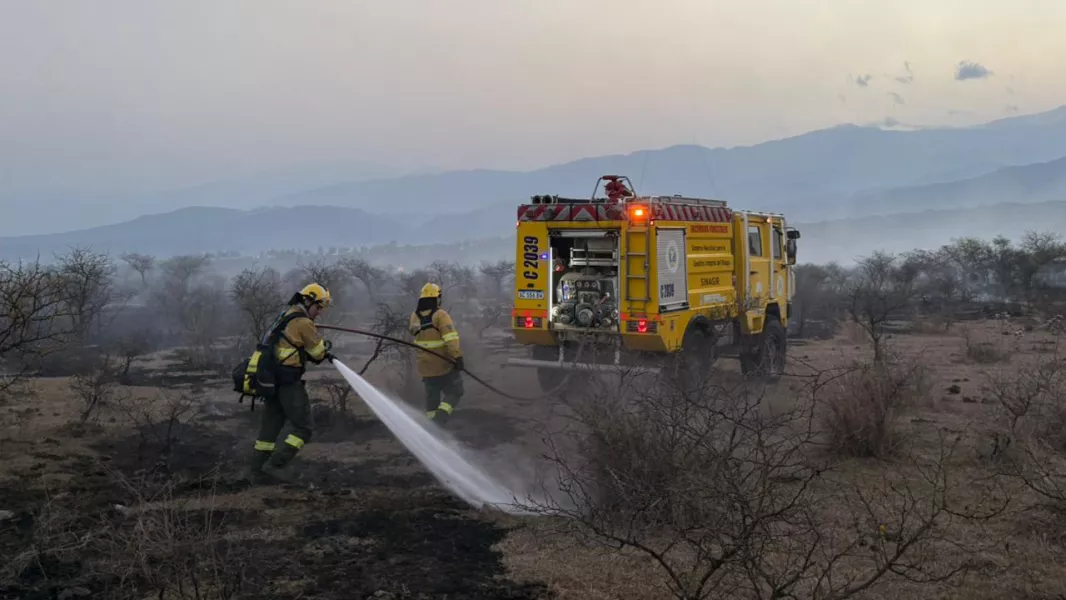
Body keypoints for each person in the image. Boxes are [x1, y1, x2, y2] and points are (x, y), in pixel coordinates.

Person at [249, 283, 335, 484]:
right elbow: (317, 353)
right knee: (304, 428)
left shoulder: (286, 315)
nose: (320, 312)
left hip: (272, 382)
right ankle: (274, 466)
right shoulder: (303, 322)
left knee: (269, 431)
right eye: (319, 306)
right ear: (308, 300)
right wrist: (325, 346)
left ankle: (256, 471)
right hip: (288, 383)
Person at [409, 282, 464, 423]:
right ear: (436, 298)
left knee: (432, 399)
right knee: (456, 391)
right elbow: (450, 338)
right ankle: (440, 418)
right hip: (443, 364)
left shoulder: (414, 316)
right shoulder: (440, 315)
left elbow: (414, 333)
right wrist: (457, 357)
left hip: (425, 367)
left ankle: (432, 427)